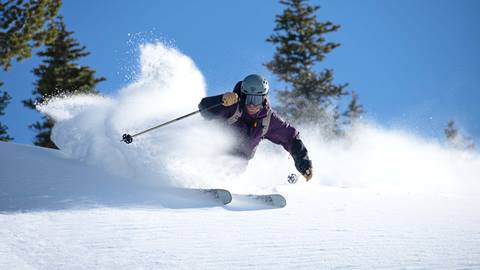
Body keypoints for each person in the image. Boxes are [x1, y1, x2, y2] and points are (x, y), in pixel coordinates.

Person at [198, 74, 313, 181]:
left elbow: (291, 138)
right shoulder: (231, 105)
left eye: (257, 99)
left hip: (236, 164)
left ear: (264, 98)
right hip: (213, 153)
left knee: (231, 172)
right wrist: (220, 100)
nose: (252, 105)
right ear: (243, 96)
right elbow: (204, 108)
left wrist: (303, 163)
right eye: (249, 99)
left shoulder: (269, 119)